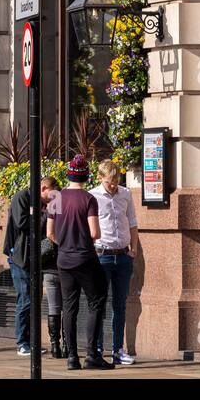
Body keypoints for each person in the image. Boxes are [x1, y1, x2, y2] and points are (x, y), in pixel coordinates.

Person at [45, 154, 111, 371]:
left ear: (69, 174)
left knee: (69, 307)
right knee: (96, 301)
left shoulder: (56, 197)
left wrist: (64, 243)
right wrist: (83, 240)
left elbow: (49, 233)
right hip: (85, 258)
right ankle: (92, 354)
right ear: (86, 176)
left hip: (64, 259)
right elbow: (95, 232)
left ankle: (72, 357)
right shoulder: (89, 199)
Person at [2, 176, 61, 356]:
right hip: (20, 257)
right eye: (51, 195)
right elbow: (23, 223)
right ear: (43, 188)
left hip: (35, 257)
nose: (52, 200)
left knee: (33, 300)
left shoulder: (44, 203)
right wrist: (46, 214)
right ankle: (22, 343)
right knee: (25, 298)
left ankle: (31, 341)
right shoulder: (22, 197)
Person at [89, 160, 139, 365]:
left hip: (123, 255)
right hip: (102, 255)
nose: (113, 185)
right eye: (110, 181)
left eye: (116, 180)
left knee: (120, 304)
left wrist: (133, 249)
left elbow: (133, 222)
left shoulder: (126, 194)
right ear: (101, 178)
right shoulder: (92, 196)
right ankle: (98, 349)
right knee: (99, 304)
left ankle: (118, 349)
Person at [38, 177, 64, 359]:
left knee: (54, 307)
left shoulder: (47, 212)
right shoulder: (59, 211)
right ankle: (65, 345)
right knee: (68, 307)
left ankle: (55, 346)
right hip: (62, 265)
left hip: (49, 266)